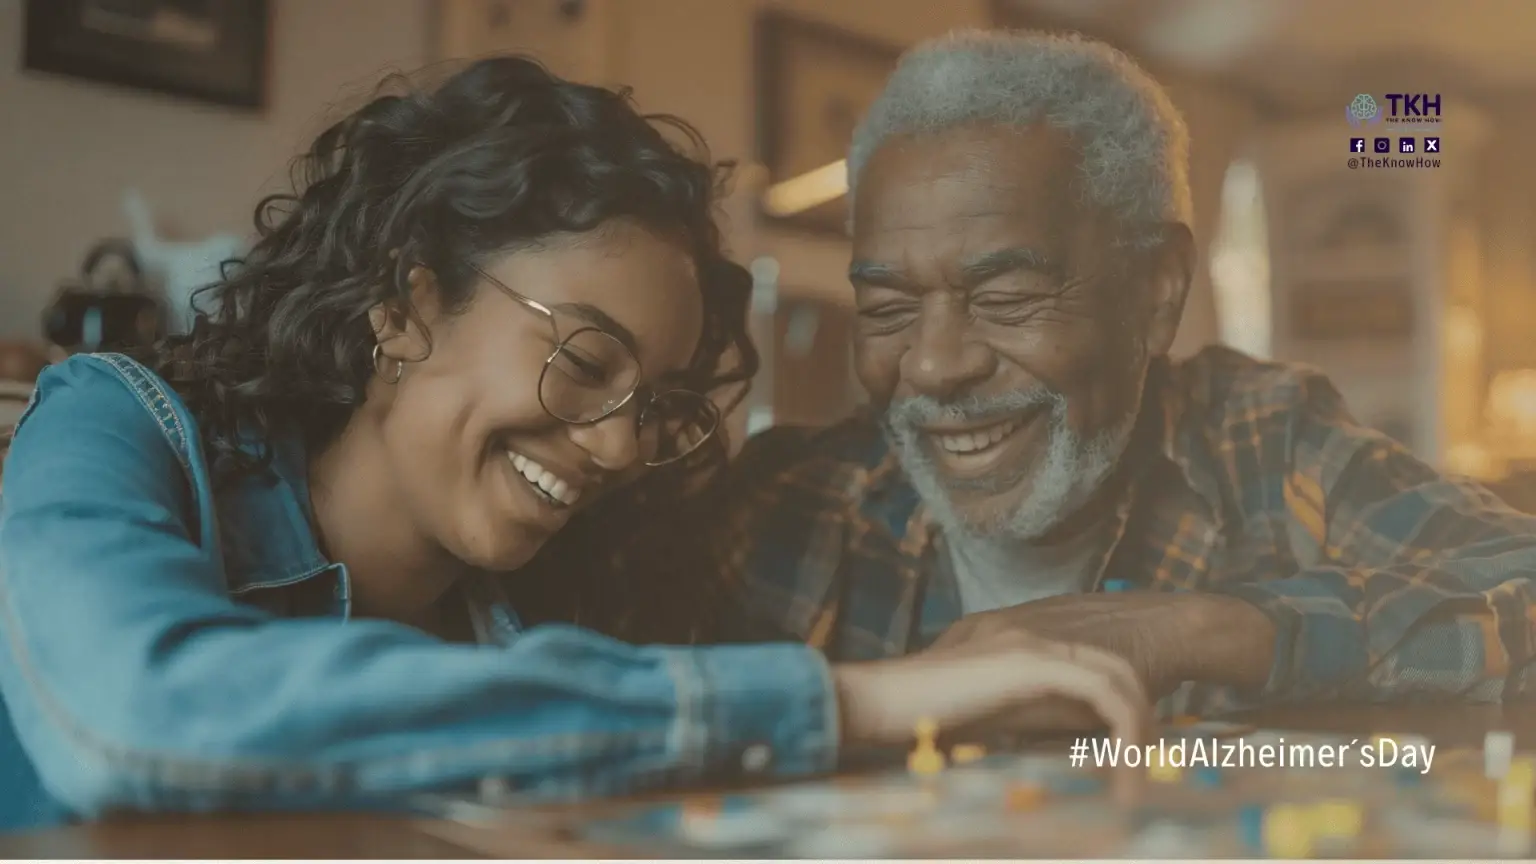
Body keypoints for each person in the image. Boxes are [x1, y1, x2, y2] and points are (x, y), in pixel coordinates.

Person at [0, 57, 1148, 829]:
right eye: (587, 361)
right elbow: (138, 711)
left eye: (652, 408)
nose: (611, 448)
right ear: (403, 304)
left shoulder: (559, 610)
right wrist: (850, 701)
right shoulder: (112, 424)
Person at [710, 30, 1536, 718]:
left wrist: (1191, 632)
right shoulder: (791, 506)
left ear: (1157, 293)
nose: (932, 365)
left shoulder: (1267, 442)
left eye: (1006, 297)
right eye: (887, 309)